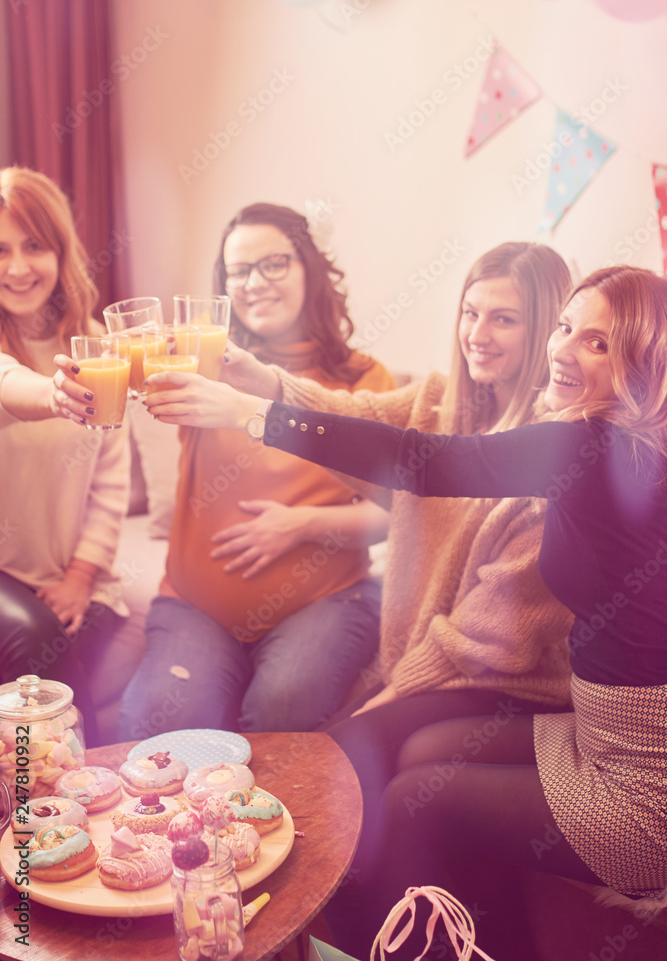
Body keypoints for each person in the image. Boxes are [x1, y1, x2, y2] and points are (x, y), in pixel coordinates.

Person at [143, 264, 667, 958]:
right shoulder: (623, 448)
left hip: (640, 787)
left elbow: (424, 463)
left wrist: (248, 415)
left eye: (598, 343)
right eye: (566, 328)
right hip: (599, 738)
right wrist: (260, 384)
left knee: (415, 804)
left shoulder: (592, 447)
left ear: (644, 363)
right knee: (420, 754)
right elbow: (393, 433)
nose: (565, 351)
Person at [114, 202, 395, 738]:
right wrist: (70, 385)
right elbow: (119, 360)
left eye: (274, 264)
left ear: (309, 268)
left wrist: (300, 524)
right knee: (157, 725)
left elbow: (396, 513)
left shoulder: (365, 380)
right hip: (195, 606)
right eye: (238, 271)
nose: (254, 283)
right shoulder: (201, 360)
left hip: (325, 600)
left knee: (283, 705)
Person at [0, 166, 130, 746]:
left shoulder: (99, 346)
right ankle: (80, 794)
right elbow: (10, 384)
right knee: (33, 637)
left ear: (59, 251)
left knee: (51, 645)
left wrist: (80, 577)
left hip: (73, 579)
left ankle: (51, 804)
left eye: (33, 245)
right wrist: (54, 394)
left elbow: (111, 483)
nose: (18, 267)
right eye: (0, 250)